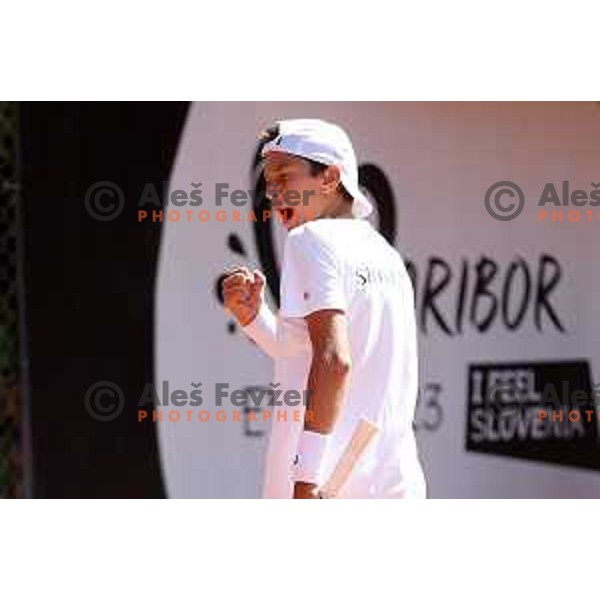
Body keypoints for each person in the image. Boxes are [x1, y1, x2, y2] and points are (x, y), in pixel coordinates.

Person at [222, 118, 427, 499]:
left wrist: (305, 482)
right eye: (269, 182)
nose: (273, 192)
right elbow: (309, 353)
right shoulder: (387, 255)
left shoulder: (308, 239)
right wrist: (256, 320)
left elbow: (334, 361)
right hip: (397, 484)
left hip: (326, 489)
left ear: (330, 178)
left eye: (284, 176)